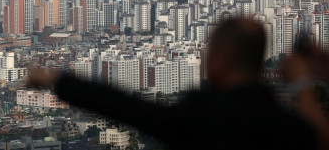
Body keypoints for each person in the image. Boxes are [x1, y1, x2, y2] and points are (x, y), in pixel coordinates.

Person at [28, 19, 318, 150]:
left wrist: (56, 79)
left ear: (218, 60)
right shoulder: (282, 123)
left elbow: (127, 108)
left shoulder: (202, 116)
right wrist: (302, 83)